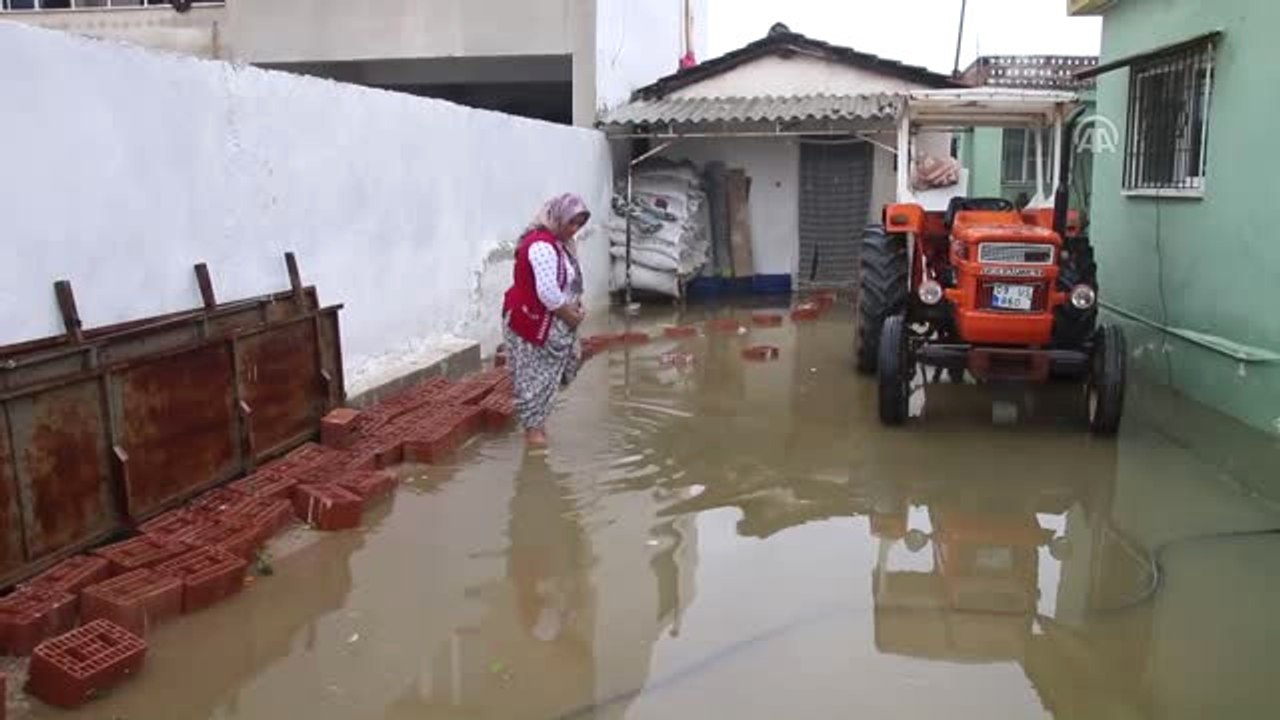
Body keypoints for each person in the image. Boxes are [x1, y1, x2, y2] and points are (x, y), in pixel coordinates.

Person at [502, 193, 590, 447]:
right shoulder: (541, 245)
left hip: (552, 318)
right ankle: (534, 435)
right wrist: (570, 315)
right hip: (530, 320)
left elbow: (568, 282)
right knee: (532, 377)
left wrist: (576, 306)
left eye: (580, 224)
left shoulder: (559, 243)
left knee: (554, 370)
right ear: (557, 217)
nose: (574, 229)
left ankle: (537, 424)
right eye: (571, 222)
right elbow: (548, 293)